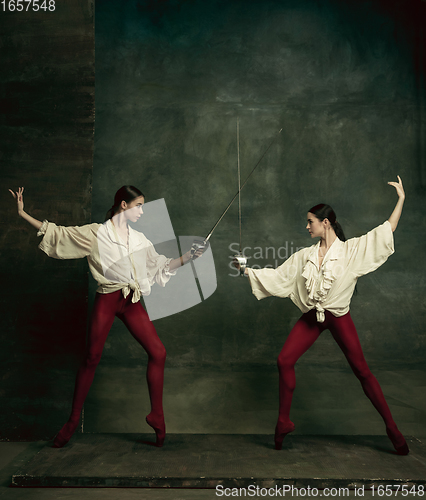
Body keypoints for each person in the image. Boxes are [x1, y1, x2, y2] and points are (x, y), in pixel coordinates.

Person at [9, 185, 205, 448]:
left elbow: (159, 265)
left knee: (158, 352)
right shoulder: (96, 233)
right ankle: (71, 421)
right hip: (108, 299)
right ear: (123, 205)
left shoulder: (139, 239)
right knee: (91, 357)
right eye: (138, 205)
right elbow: (59, 233)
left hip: (131, 300)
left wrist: (188, 257)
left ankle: (156, 415)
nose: (142, 211)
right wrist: (23, 213)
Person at [235, 176, 409, 455]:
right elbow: (279, 276)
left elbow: (386, 230)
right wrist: (245, 270)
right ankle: (283, 422)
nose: (307, 227)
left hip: (338, 317)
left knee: (362, 371)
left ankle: (392, 428)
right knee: (284, 360)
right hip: (312, 317)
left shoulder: (351, 250)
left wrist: (400, 199)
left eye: (310, 222)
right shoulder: (305, 255)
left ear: (325, 222)